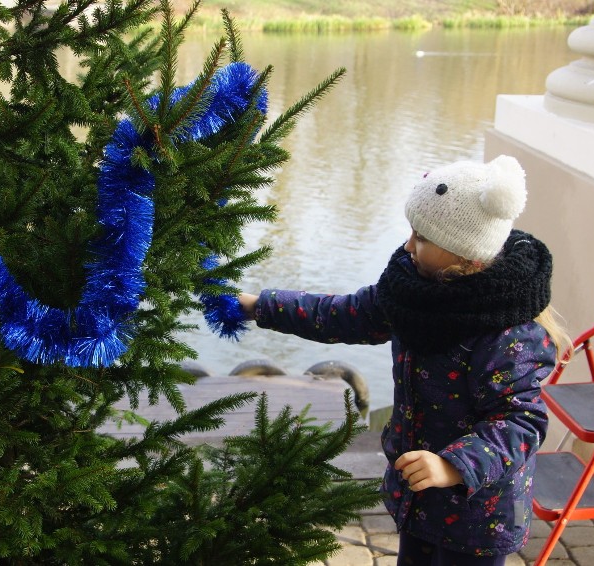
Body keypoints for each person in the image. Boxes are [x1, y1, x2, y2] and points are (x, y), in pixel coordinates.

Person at [238, 155, 570, 566]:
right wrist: (259, 307)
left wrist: (454, 465)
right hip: (419, 492)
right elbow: (342, 314)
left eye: (423, 238)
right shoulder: (411, 292)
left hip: (475, 513)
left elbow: (521, 421)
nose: (409, 245)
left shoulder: (507, 334)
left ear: (466, 256)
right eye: (412, 231)